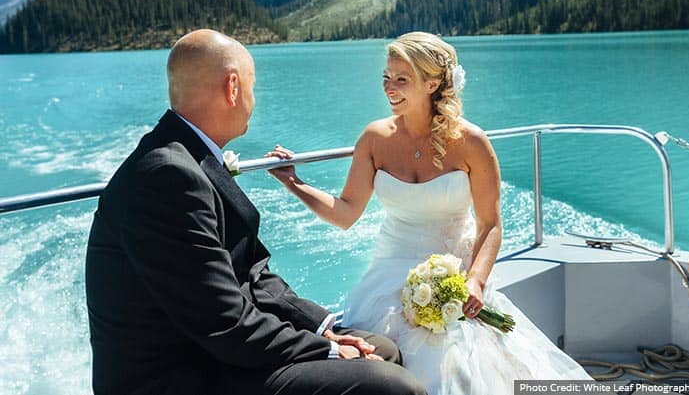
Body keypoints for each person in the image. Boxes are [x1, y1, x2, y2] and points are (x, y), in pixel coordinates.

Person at [85, 29, 427, 395]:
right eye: (252, 85)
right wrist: (330, 349)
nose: (253, 97)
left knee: (384, 351)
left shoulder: (190, 158)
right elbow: (224, 322)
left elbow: (252, 272)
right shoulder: (167, 175)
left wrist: (320, 328)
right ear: (233, 88)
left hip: (215, 352)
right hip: (181, 373)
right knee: (392, 387)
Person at [266, 31, 591, 394]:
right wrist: (294, 183)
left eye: (401, 79)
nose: (389, 87)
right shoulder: (374, 138)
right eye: (386, 78)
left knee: (457, 364)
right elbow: (345, 214)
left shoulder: (472, 142)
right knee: (381, 361)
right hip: (388, 273)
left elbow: (490, 224)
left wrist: (476, 282)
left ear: (432, 83)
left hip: (458, 271)